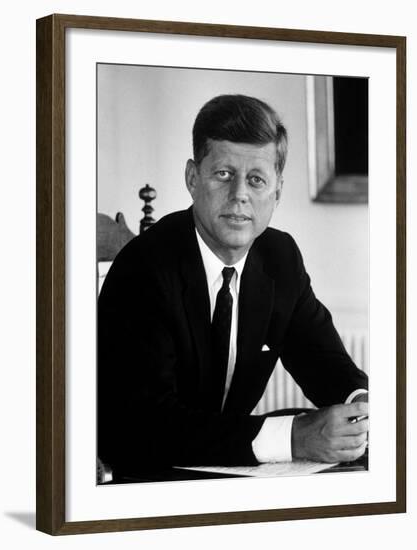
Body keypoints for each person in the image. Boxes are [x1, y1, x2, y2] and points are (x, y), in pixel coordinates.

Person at [97, 94, 368, 474]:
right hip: (148, 481)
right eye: (223, 174)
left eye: (256, 180)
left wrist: (364, 409)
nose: (240, 194)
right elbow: (142, 428)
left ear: (277, 191)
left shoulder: (280, 257)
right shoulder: (144, 268)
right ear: (193, 178)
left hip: (233, 474)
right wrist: (292, 437)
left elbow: (325, 364)